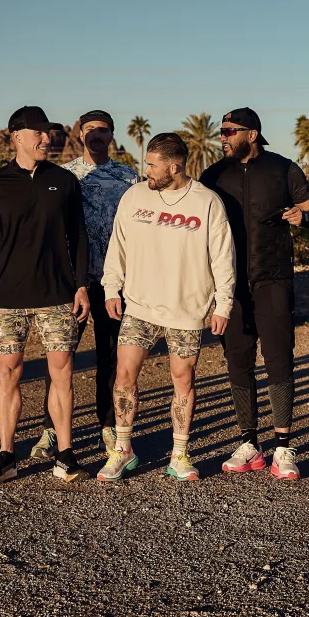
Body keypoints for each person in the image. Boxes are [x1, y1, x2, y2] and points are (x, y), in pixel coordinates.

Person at [97, 133, 235, 482]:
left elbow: (222, 257)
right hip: (139, 306)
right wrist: (111, 287)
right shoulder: (135, 196)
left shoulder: (207, 202)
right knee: (124, 376)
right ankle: (123, 451)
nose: (147, 171)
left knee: (182, 381)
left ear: (175, 166)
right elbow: (118, 246)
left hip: (186, 309)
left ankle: (180, 455)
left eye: (153, 165)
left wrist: (223, 304)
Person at [0, 106, 92, 485]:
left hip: (57, 295)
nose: (46, 139)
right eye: (38, 133)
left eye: (49, 132)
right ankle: (7, 454)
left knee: (63, 374)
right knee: (9, 373)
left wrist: (82, 284)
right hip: (8, 299)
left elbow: (80, 237)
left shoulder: (64, 181)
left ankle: (65, 454)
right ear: (17, 136)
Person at [200, 107, 309, 481]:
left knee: (278, 358)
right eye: (221, 131)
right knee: (238, 359)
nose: (222, 137)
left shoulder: (283, 168)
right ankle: (249, 441)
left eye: (229, 131)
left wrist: (305, 219)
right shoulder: (214, 175)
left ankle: (283, 446)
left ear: (251, 134)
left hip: (273, 279)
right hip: (229, 285)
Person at [60, 110, 139, 455]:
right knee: (62, 355)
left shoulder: (128, 176)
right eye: (89, 129)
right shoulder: (64, 176)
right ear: (80, 135)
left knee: (110, 355)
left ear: (111, 136)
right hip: (73, 281)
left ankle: (107, 425)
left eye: (102, 130)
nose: (95, 135)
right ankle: (52, 430)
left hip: (114, 282)